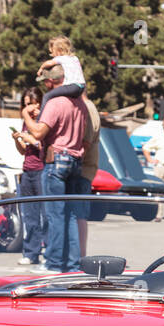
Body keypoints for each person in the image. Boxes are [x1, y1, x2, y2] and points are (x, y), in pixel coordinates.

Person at [20, 74, 90, 272]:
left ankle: (54, 263)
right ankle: (72, 264)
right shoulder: (80, 104)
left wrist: (26, 114)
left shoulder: (54, 102)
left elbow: (38, 133)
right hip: (75, 160)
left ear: (52, 81)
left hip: (57, 159)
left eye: (45, 80)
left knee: (55, 215)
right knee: (71, 216)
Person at [12, 87, 47, 265]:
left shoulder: (43, 121)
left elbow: (41, 145)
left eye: (32, 104)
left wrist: (29, 137)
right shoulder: (26, 122)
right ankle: (31, 252)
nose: (28, 109)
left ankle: (49, 252)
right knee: (30, 215)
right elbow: (24, 150)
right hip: (27, 171)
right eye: (25, 105)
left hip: (42, 171)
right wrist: (17, 139)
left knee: (46, 214)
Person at [76, 95, 101, 256]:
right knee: (78, 213)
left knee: (78, 214)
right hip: (84, 168)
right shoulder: (87, 106)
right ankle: (78, 255)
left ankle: (79, 255)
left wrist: (73, 159)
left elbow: (86, 142)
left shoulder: (87, 107)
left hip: (83, 169)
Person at [37, 35, 86, 103]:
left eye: (52, 52)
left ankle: (41, 113)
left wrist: (41, 68)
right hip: (82, 86)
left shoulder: (60, 58)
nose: (52, 55)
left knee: (47, 96)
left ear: (58, 50)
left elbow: (49, 63)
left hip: (72, 86)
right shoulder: (75, 58)